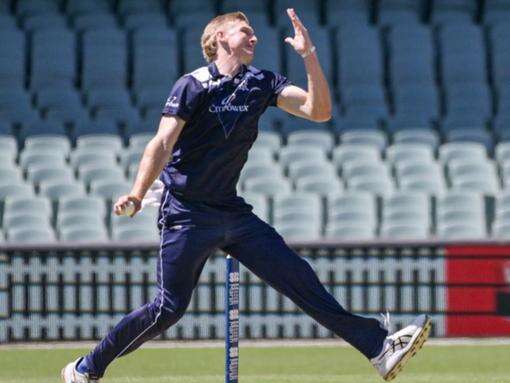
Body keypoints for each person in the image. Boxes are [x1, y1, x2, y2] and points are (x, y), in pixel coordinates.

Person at [62, 9, 430, 383]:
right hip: (186, 211)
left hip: (231, 212)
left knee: (298, 277)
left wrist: (309, 55)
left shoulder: (262, 82)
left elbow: (319, 111)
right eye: (245, 31)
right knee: (167, 310)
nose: (254, 38)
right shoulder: (192, 85)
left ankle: (378, 347)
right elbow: (161, 142)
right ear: (220, 37)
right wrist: (138, 194)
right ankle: (86, 369)